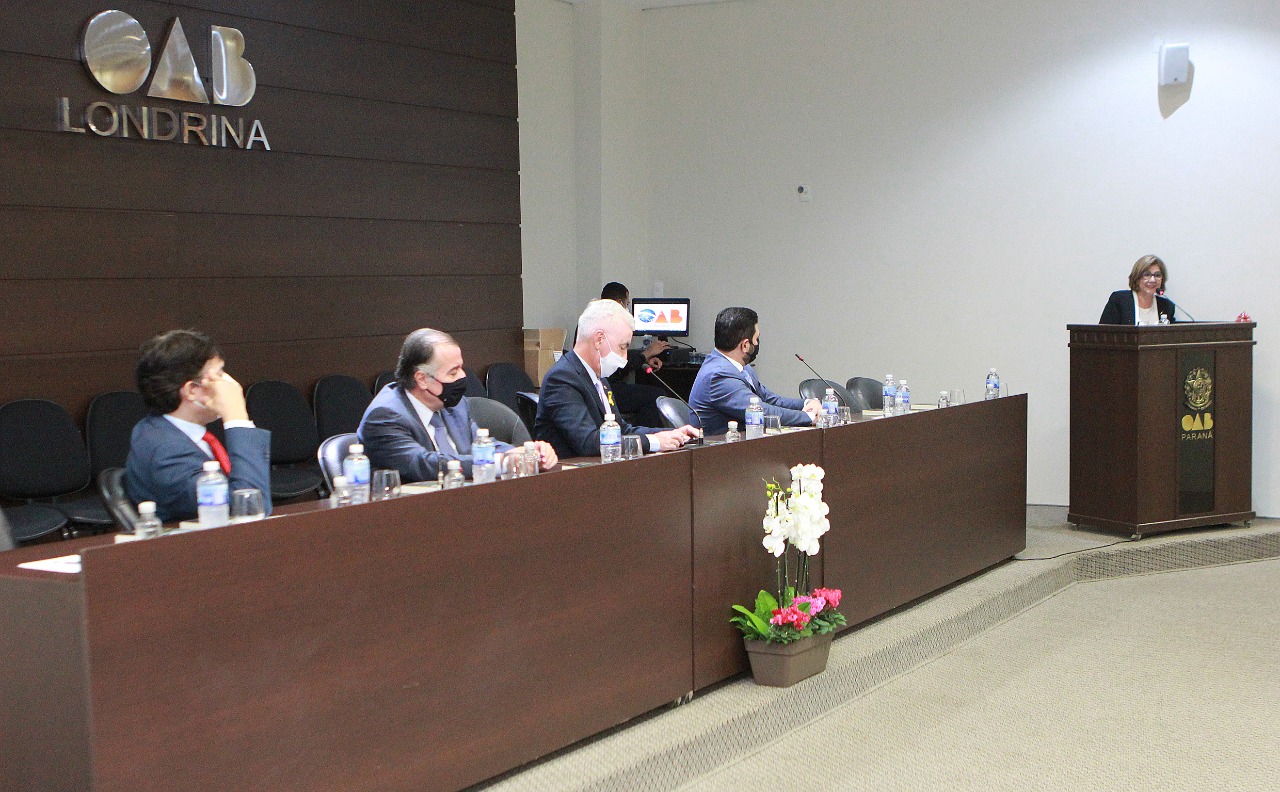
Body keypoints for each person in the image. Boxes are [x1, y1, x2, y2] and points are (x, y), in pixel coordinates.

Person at [359, 328, 557, 482]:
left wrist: (528, 453)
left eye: (461, 368)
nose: (463, 377)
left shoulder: (453, 404)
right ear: (422, 379)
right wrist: (502, 462)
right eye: (453, 372)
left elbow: (481, 445)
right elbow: (424, 465)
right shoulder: (385, 416)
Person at [126, 330, 272, 523]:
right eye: (219, 375)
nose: (231, 385)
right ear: (192, 390)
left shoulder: (165, 431)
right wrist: (236, 416)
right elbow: (249, 510)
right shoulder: (165, 451)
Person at [536, 299, 701, 459]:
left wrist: (668, 434)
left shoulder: (599, 378)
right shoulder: (562, 379)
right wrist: (654, 442)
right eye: (622, 347)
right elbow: (587, 442)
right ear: (599, 340)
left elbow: (621, 430)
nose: (625, 357)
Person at [689, 307, 820, 436]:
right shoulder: (719, 376)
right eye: (756, 338)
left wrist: (807, 403)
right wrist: (809, 416)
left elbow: (770, 399)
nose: (757, 343)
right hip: (724, 446)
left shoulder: (741, 367)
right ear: (745, 345)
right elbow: (761, 412)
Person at [1099, 255, 1178, 325]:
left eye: (1157, 275)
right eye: (1147, 274)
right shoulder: (1120, 301)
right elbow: (1103, 333)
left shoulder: (1167, 306)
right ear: (1137, 278)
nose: (1153, 280)